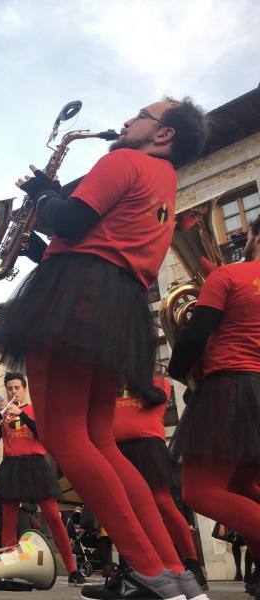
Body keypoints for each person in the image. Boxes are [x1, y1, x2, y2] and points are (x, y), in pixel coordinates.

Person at [0, 98, 210, 600]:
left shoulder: (122, 160)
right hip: (117, 304)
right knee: (100, 442)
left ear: (164, 134)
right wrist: (42, 248)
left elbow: (68, 219)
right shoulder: (165, 183)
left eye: (141, 116)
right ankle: (174, 574)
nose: (129, 120)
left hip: (77, 294)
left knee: (68, 440)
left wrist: (43, 194)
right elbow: (103, 241)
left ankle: (151, 573)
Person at [169, 214, 260, 598]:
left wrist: (178, 369)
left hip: (230, 387)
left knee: (199, 491)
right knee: (246, 485)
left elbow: (195, 334)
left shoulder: (230, 276)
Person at [0, 373, 86, 585]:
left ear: (24, 389)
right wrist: (0, 417)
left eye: (16, 388)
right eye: (9, 388)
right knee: (9, 520)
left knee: (53, 516)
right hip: (12, 465)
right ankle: (8, 568)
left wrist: (20, 414)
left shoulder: (35, 410)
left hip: (35, 464)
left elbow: (42, 433)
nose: (13, 391)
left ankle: (72, 570)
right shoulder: (3, 413)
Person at [113, 374, 205, 587]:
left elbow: (155, 397)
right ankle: (133, 565)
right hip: (116, 448)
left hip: (147, 446)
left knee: (163, 503)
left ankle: (192, 563)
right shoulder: (113, 382)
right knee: (125, 508)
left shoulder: (156, 379)